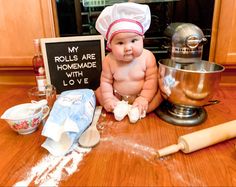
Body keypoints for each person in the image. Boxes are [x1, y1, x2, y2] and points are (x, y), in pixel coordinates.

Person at [95, 2, 163, 123]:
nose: (128, 48)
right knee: (99, 92)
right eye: (120, 43)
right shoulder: (109, 60)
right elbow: (106, 81)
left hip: (142, 95)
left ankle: (140, 109)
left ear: (142, 39)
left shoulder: (148, 57)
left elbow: (151, 80)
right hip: (118, 97)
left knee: (160, 93)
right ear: (110, 45)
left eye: (133, 40)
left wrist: (143, 98)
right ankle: (116, 108)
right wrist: (109, 98)